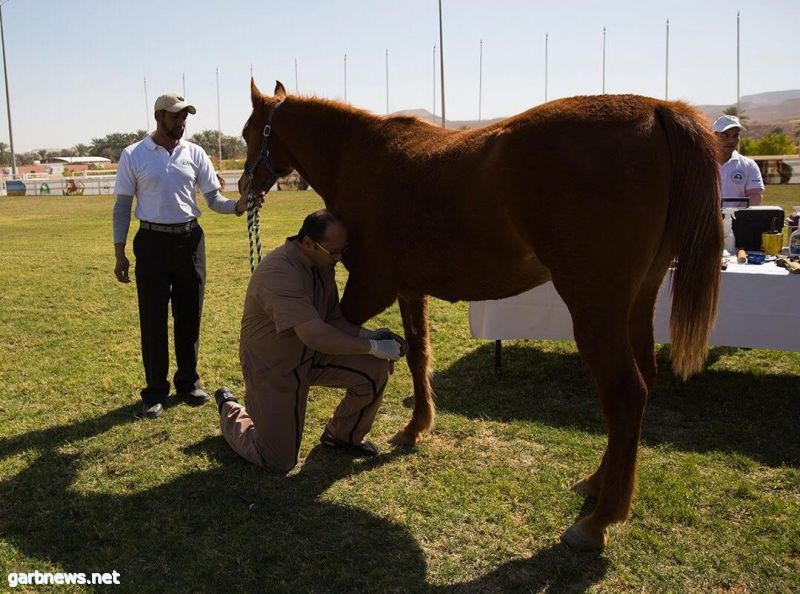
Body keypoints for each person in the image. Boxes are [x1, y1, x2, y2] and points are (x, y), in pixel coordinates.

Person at [215, 209, 406, 472]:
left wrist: (368, 335)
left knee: (374, 368)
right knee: (278, 461)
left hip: (310, 355)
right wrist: (373, 347)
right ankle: (231, 410)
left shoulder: (320, 263)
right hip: (274, 367)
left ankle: (342, 435)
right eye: (334, 252)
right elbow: (316, 335)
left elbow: (332, 319)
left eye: (343, 250)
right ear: (307, 243)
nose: (339, 259)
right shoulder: (279, 272)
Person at [113, 91, 259, 420]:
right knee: (152, 319)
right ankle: (154, 391)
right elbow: (122, 207)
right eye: (176, 116)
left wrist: (238, 205)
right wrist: (119, 253)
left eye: (185, 116)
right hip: (150, 242)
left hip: (190, 241)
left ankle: (187, 382)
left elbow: (213, 199)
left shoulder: (194, 153)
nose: (182, 122)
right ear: (159, 116)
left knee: (189, 314)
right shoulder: (134, 154)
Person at [714, 114, 764, 206]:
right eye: (725, 135)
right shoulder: (700, 164)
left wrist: (736, 216)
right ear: (714, 136)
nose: (731, 140)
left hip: (738, 219)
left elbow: (754, 195)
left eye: (735, 135)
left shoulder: (749, 165)